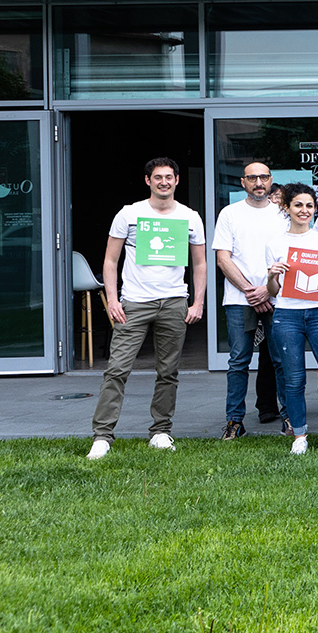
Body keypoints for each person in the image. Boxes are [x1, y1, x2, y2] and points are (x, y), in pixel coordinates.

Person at [86, 157, 208, 460]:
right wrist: (113, 300)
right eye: (158, 177)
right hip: (134, 303)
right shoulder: (129, 214)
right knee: (117, 369)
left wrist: (198, 302)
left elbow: (200, 263)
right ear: (147, 181)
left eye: (169, 177)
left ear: (177, 180)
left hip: (174, 301)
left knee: (168, 371)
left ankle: (161, 431)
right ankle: (102, 436)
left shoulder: (190, 217)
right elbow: (110, 261)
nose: (163, 182)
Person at [264, 183, 318, 455]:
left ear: (316, 209)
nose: (304, 211)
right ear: (287, 208)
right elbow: (272, 292)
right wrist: (271, 276)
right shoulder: (275, 243)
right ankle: (299, 435)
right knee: (293, 380)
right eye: (298, 205)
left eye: (310, 206)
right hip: (287, 315)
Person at [212, 159, 283, 440]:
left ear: (270, 180)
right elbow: (223, 258)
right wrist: (251, 292)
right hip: (239, 300)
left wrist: (267, 289)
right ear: (242, 182)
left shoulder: (282, 214)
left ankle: (289, 419)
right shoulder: (230, 214)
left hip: (276, 297)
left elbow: (289, 258)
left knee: (281, 360)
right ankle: (234, 421)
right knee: (238, 361)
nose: (258, 183)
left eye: (263, 177)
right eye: (252, 178)